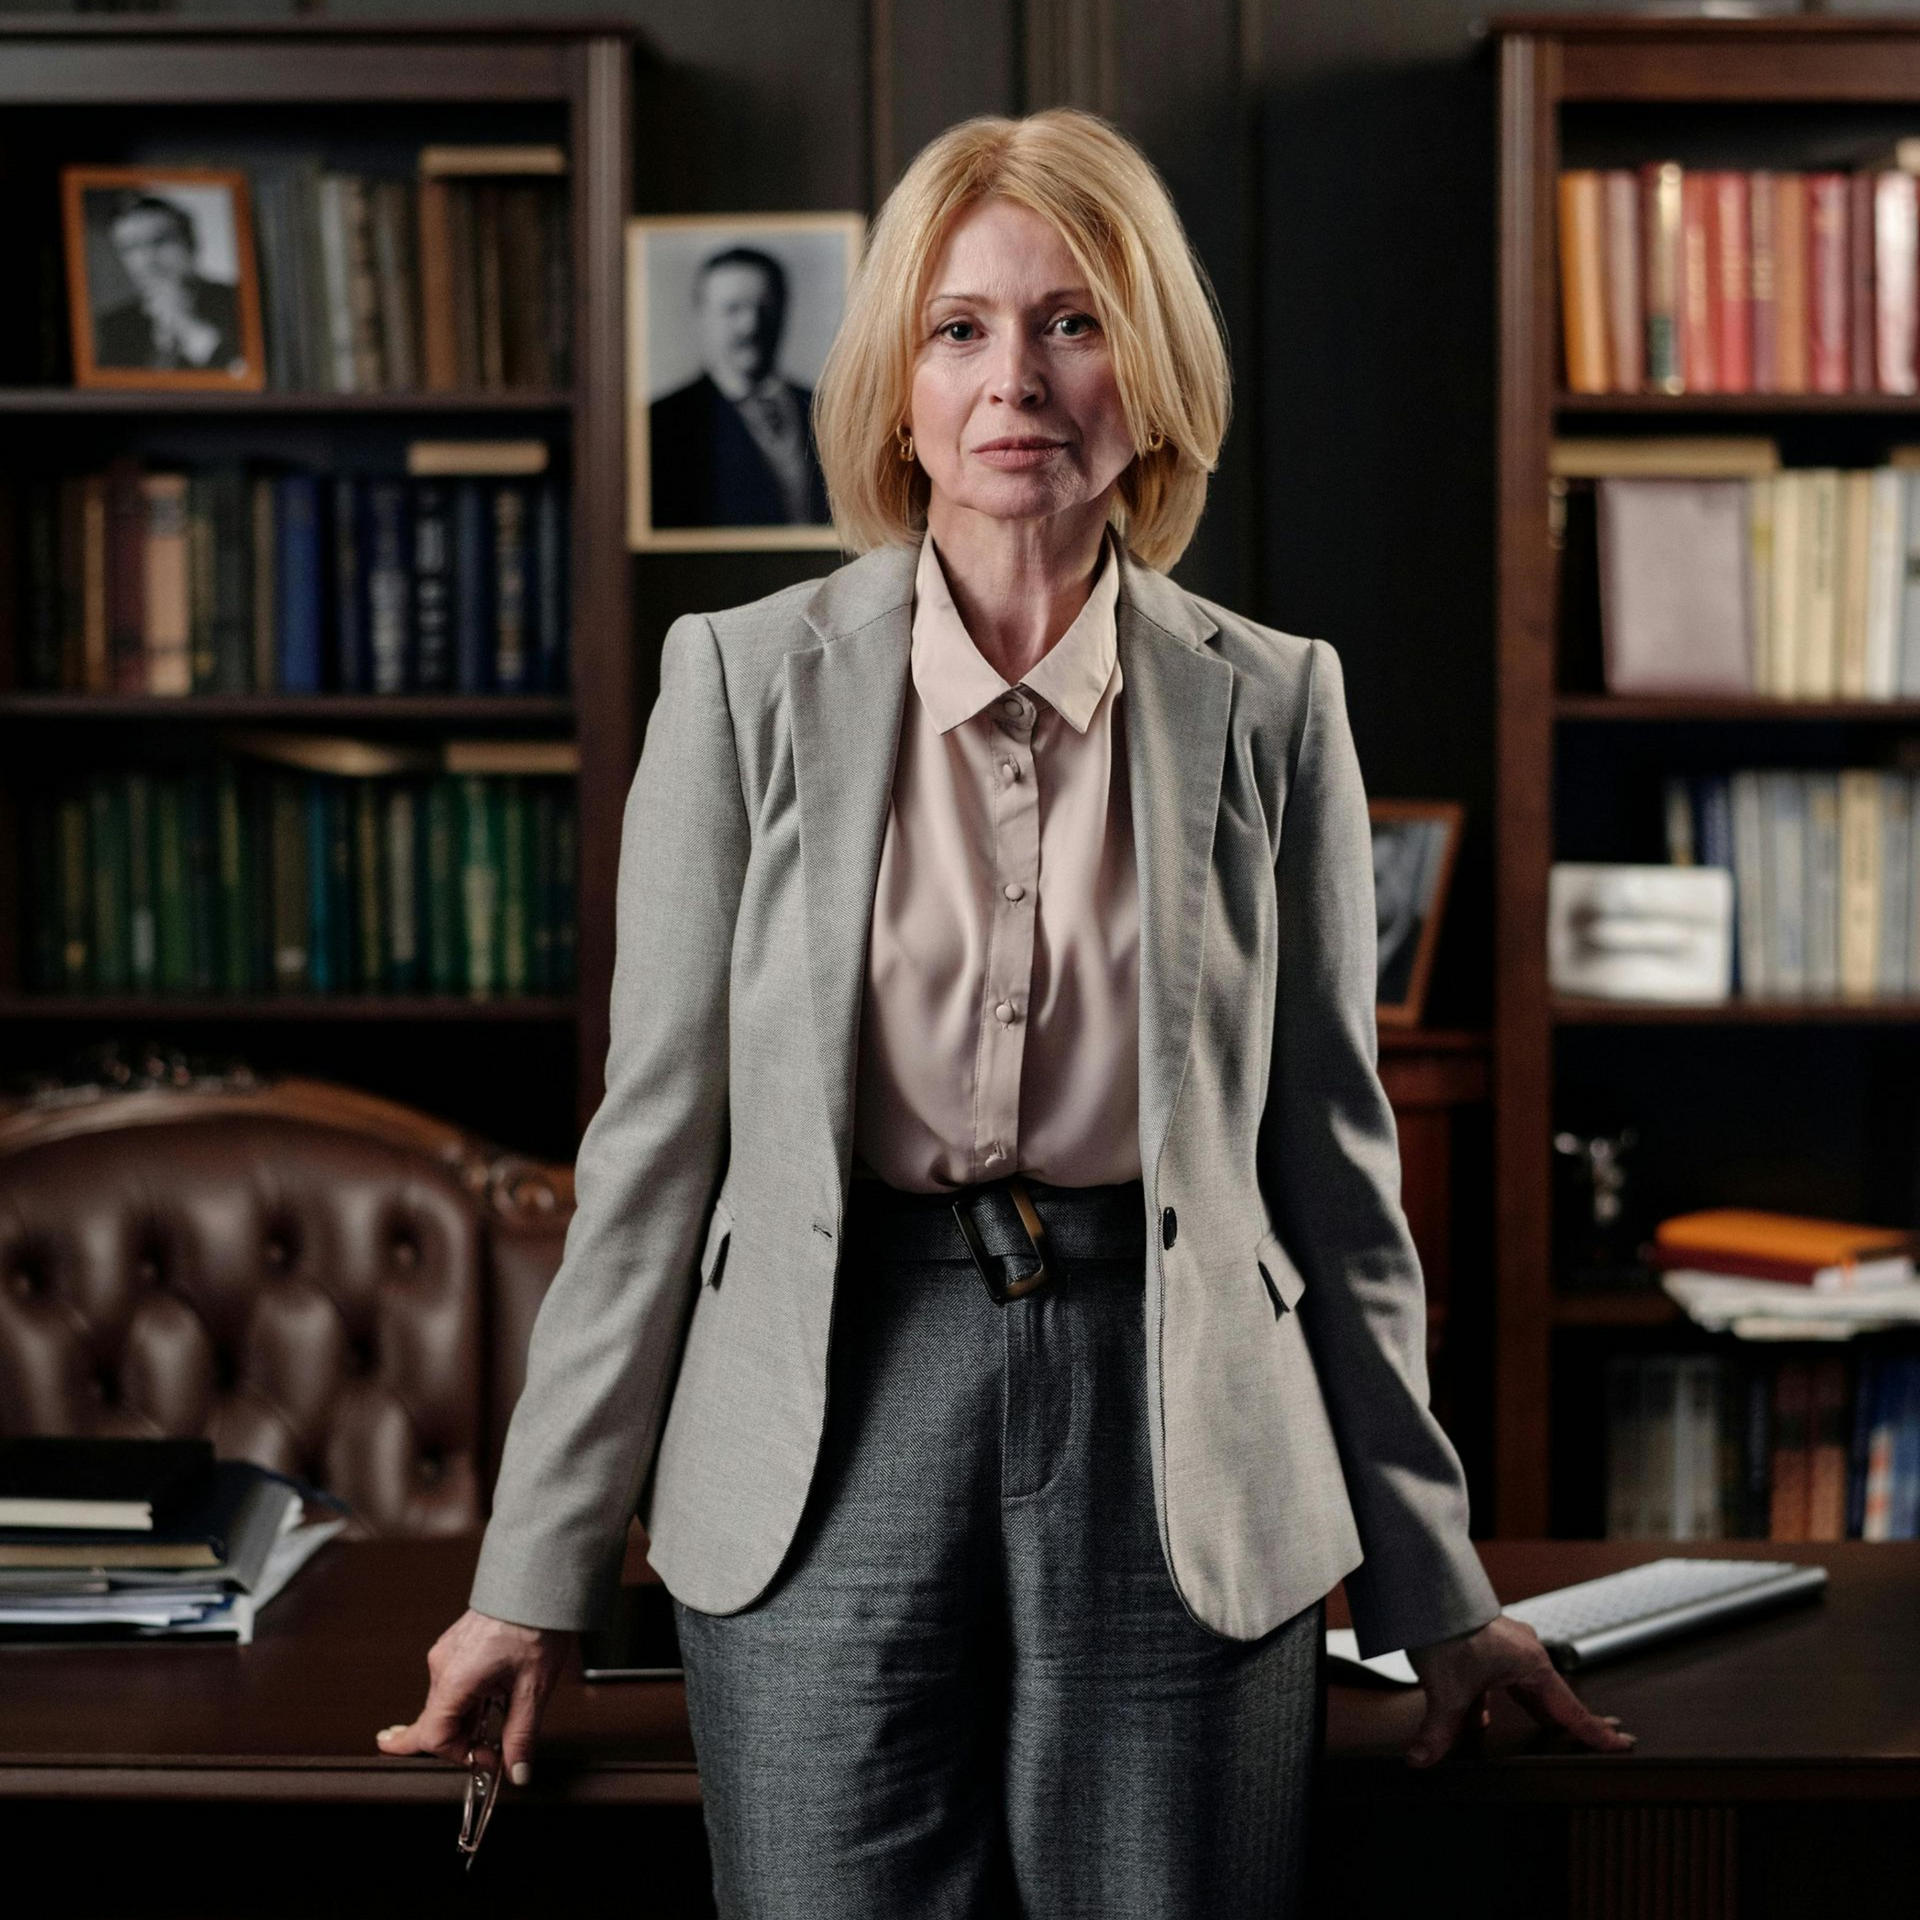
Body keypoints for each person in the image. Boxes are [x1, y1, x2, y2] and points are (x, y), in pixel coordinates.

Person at [378, 107, 1636, 1915]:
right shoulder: (736, 684)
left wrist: (1439, 1588)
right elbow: (650, 1158)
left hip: (1180, 1426)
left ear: (1155, 375)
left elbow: (1340, 1193)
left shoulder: (1277, 705)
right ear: (897, 383)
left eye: (1074, 320)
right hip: (827, 1413)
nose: (1015, 380)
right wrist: (532, 1577)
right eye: (960, 328)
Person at [647, 244, 831, 528]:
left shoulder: (829, 410)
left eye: (764, 307)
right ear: (702, 316)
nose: (750, 325)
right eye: (733, 309)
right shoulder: (663, 422)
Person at [92, 191, 244, 374]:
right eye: (131, 248)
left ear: (191, 243)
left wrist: (189, 328)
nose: (147, 260)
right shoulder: (115, 325)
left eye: (160, 241)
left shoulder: (240, 301)